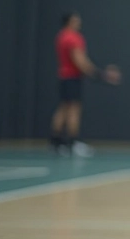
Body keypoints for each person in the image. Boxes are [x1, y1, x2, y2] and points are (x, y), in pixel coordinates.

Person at [50, 12, 120, 157]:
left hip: (64, 78)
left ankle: (56, 142)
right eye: (76, 20)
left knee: (63, 108)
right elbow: (80, 61)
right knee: (73, 109)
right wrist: (102, 75)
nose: (79, 22)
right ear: (69, 22)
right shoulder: (73, 38)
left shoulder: (61, 36)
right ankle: (73, 143)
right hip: (72, 78)